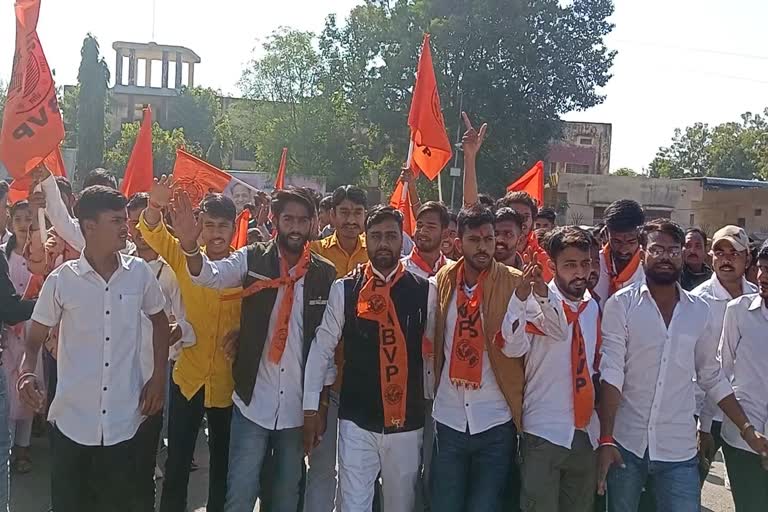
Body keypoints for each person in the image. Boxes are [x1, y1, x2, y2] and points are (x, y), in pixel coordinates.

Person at [179, 186, 336, 512]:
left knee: (285, 496)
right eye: (288, 219)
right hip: (252, 402)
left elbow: (327, 347)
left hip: (296, 409)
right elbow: (211, 276)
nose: (295, 227)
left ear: (312, 223)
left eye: (302, 220)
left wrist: (318, 406)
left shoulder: (325, 274)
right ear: (275, 221)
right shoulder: (253, 258)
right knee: (240, 493)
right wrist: (191, 247)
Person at [596, 219, 768, 512]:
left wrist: (747, 429)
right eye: (658, 249)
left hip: (677, 449)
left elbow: (711, 375)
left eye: (673, 250)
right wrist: (606, 438)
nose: (666, 257)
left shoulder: (697, 310)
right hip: (627, 443)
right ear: (642, 252)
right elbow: (612, 373)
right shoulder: (620, 305)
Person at [18, 186, 169, 512]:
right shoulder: (62, 280)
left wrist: (158, 378)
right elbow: (35, 336)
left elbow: (160, 323)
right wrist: (27, 371)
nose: (125, 227)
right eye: (115, 220)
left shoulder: (139, 274)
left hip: (125, 422)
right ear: (89, 227)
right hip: (72, 424)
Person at [303, 206, 430, 511]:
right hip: (356, 418)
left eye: (390, 236)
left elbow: (435, 353)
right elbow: (322, 348)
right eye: (375, 236)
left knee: (401, 504)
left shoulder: (425, 290)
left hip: (407, 423)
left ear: (403, 240)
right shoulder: (345, 289)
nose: (383, 243)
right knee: (353, 504)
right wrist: (310, 408)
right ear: (366, 240)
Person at [140, 178, 242, 512]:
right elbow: (152, 233)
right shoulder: (183, 255)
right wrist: (154, 206)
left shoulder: (246, 266)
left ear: (235, 226)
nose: (215, 233)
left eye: (222, 226)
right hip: (188, 377)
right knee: (178, 461)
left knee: (223, 466)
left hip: (228, 383)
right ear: (197, 224)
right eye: (208, 224)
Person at [429, 204, 526, 512]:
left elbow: (525, 345)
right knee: (445, 505)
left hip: (495, 419)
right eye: (475, 239)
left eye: (489, 238)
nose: (484, 246)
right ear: (459, 242)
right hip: (449, 416)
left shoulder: (514, 281)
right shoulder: (444, 278)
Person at [506, 226, 600, 512]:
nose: (580, 273)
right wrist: (529, 295)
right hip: (544, 432)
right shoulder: (535, 304)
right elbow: (512, 346)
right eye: (570, 265)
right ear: (551, 266)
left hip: (584, 432)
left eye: (585, 264)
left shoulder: (592, 307)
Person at [126, 192, 196, 509]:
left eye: (146, 224)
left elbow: (186, 321)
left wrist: (175, 333)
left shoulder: (171, 271)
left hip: (158, 371)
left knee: (147, 448)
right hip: (119, 370)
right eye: (134, 225)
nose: (139, 233)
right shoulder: (120, 263)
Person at [306, 184, 369, 512]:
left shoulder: (375, 255)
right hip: (323, 381)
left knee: (357, 470)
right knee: (321, 466)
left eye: (357, 213)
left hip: (362, 380)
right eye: (344, 212)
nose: (350, 219)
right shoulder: (313, 252)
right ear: (332, 214)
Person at [692, 225, 756, 485]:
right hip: (707, 413)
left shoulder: (758, 298)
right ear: (711, 256)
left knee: (749, 492)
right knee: (690, 490)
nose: (726, 259)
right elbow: (695, 367)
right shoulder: (697, 301)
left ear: (747, 258)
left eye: (734, 253)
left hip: (748, 415)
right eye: (720, 253)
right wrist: (701, 424)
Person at [717, 240, 768, 511]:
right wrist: (704, 426)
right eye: (761, 268)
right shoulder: (737, 311)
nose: (763, 276)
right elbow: (720, 371)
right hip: (743, 439)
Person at [0, 201, 41, 475]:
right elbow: (10, 308)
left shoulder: (41, 253)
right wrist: (48, 301)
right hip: (9, 335)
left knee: (27, 390)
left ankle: (21, 449)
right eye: (6, 209)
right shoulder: (4, 254)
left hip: (29, 334)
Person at [593, 199, 645, 305]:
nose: (623, 250)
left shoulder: (648, 268)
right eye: (617, 241)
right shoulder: (594, 264)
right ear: (607, 233)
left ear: (640, 235)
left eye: (631, 242)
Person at [496, 191, 552, 281]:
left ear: (533, 220)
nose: (522, 222)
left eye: (526, 217)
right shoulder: (491, 252)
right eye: (515, 215)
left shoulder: (543, 259)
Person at [402, 201, 452, 278]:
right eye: (419, 225)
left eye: (431, 227)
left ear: (445, 234)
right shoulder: (400, 270)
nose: (422, 231)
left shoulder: (454, 271)